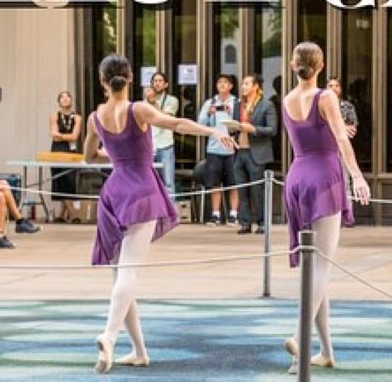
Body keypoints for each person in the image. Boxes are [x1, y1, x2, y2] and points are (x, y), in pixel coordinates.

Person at [84, 54, 237, 374]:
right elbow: (177, 124)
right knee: (127, 272)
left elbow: (88, 156)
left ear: (101, 81)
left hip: (114, 191)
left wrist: (114, 154)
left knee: (120, 275)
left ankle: (139, 351)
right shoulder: (138, 109)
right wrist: (213, 132)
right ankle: (109, 337)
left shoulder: (95, 116)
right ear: (130, 78)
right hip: (141, 189)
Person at [281, 42, 371, 373]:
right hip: (324, 178)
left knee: (314, 269)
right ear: (320, 66)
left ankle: (326, 351)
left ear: (294, 66)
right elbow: (341, 139)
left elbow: (309, 137)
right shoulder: (326, 97)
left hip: (297, 178)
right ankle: (299, 339)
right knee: (321, 268)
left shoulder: (288, 99)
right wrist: (357, 176)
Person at [232, 73, 278, 234]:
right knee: (242, 190)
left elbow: (272, 129)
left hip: (257, 153)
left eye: (246, 84)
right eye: (243, 84)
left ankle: (262, 222)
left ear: (256, 86)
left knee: (257, 189)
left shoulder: (266, 104)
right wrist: (232, 129)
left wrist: (254, 129)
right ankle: (244, 222)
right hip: (239, 151)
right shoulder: (239, 104)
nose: (243, 87)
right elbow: (236, 126)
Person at [197, 74, 240, 225]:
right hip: (214, 148)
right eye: (219, 82)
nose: (222, 85)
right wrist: (209, 113)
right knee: (214, 183)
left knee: (234, 182)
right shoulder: (210, 103)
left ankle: (233, 214)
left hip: (232, 148)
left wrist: (230, 112)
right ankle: (216, 213)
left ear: (231, 86)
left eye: (225, 82)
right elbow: (200, 124)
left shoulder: (236, 102)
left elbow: (240, 123)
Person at [49, 91, 83, 221]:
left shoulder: (77, 118)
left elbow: (75, 136)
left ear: (71, 100)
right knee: (60, 180)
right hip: (57, 150)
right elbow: (54, 136)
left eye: (67, 96)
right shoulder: (54, 116)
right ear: (58, 101)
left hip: (71, 151)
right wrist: (65, 136)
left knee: (70, 180)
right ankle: (71, 213)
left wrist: (61, 135)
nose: (65, 99)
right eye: (62, 97)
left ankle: (63, 213)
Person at [145, 72, 179, 192]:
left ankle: (169, 205)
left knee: (168, 183)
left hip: (166, 146)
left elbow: (166, 119)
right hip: (149, 146)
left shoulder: (172, 100)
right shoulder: (145, 102)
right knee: (149, 182)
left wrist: (153, 103)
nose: (157, 83)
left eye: (160, 81)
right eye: (155, 81)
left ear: (166, 85)